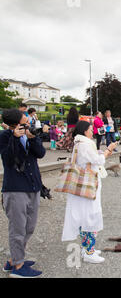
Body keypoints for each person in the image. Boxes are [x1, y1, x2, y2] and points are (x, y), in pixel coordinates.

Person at [61, 120, 116, 264]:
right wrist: (108, 150)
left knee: (85, 216)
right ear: (85, 131)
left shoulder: (80, 143)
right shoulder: (85, 144)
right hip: (88, 187)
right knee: (90, 216)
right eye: (91, 129)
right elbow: (98, 160)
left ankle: (87, 248)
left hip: (82, 187)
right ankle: (89, 252)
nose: (93, 132)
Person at [0, 108, 46, 277]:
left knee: (30, 226)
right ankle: (18, 267)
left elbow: (41, 154)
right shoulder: (5, 136)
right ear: (15, 124)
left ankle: (13, 260)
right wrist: (14, 138)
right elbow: (8, 159)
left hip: (33, 185)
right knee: (17, 229)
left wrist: (33, 139)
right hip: (15, 188)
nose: (28, 123)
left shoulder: (29, 134)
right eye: (25, 122)